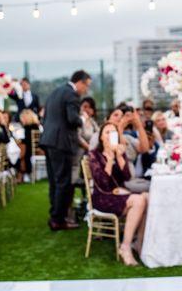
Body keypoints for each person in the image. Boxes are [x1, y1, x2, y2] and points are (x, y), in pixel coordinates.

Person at [88, 122, 148, 266]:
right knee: (139, 200)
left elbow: (126, 178)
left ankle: (138, 243)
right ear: (101, 137)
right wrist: (109, 161)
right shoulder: (94, 155)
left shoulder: (119, 151)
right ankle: (125, 247)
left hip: (118, 194)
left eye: (113, 132)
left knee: (147, 197)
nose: (110, 135)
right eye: (107, 132)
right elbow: (103, 184)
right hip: (103, 197)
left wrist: (120, 158)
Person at [39, 70, 91, 231]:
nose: (86, 90)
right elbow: (72, 119)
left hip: (48, 141)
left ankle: (55, 215)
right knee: (63, 182)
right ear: (80, 82)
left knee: (55, 181)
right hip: (61, 143)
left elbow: (45, 117)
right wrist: (83, 118)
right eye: (86, 86)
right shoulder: (72, 95)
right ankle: (58, 219)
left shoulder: (56, 92)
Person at [19, 109, 40, 182]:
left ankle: (24, 172)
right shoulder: (36, 126)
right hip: (37, 148)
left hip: (30, 149)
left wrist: (20, 141)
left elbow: (27, 141)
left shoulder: (28, 128)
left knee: (22, 152)